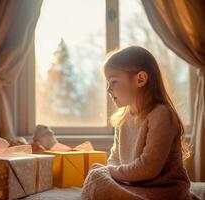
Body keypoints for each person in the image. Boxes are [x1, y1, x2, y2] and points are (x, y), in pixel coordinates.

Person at [81, 46, 200, 200]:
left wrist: (109, 172)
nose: (108, 89)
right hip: (134, 186)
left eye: (114, 81)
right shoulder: (123, 119)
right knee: (97, 174)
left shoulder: (162, 114)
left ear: (140, 79)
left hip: (164, 189)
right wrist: (110, 172)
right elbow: (115, 158)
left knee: (98, 176)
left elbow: (148, 168)